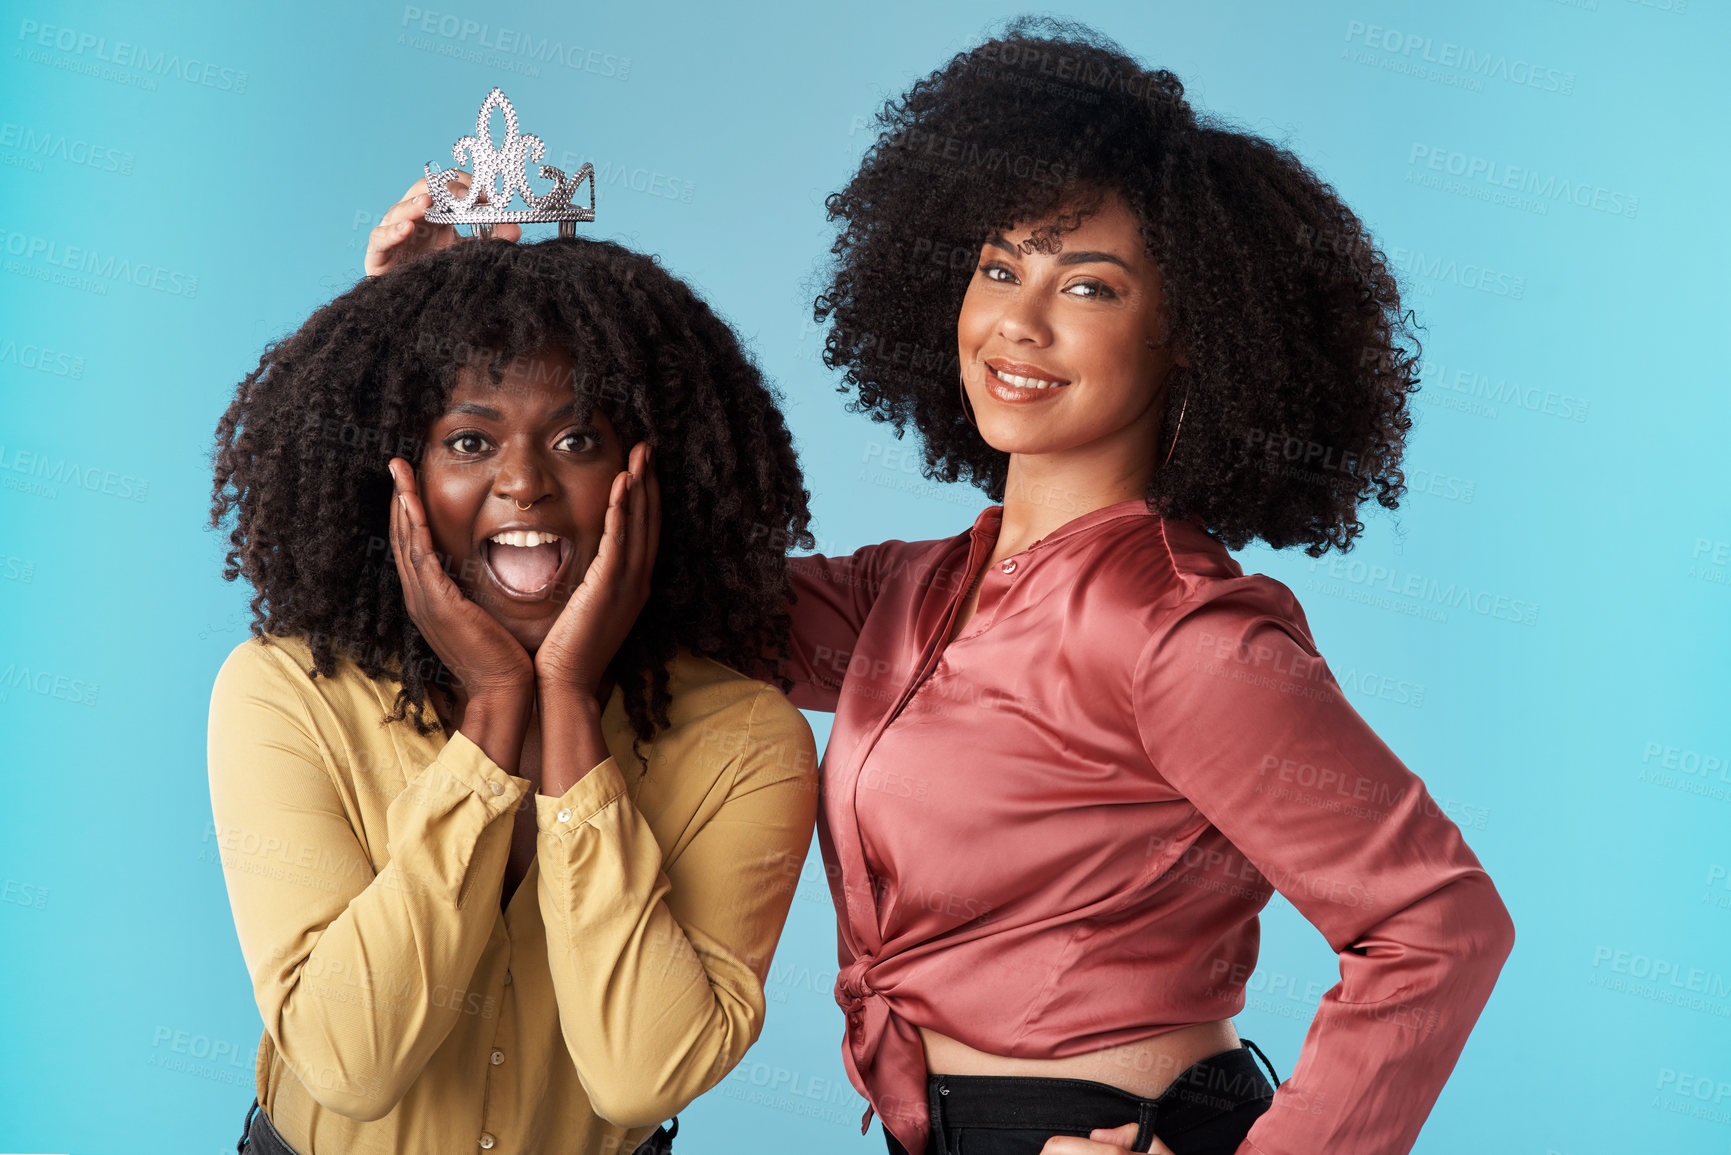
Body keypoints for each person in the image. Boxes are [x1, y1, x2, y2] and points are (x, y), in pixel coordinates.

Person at [363, 22, 1517, 1152]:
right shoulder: (913, 595)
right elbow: (610, 582)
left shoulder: (1179, 631)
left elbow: (1437, 923)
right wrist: (442, 327)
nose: (1018, 321)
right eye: (1000, 267)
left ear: (1190, 338)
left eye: (1092, 288)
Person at [207, 233, 818, 1155]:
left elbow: (639, 1074)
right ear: (397, 475)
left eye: (576, 438)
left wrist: (565, 700)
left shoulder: (744, 738)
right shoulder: (288, 692)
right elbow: (349, 1061)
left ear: (650, 473)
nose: (525, 482)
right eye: (470, 440)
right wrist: (496, 708)